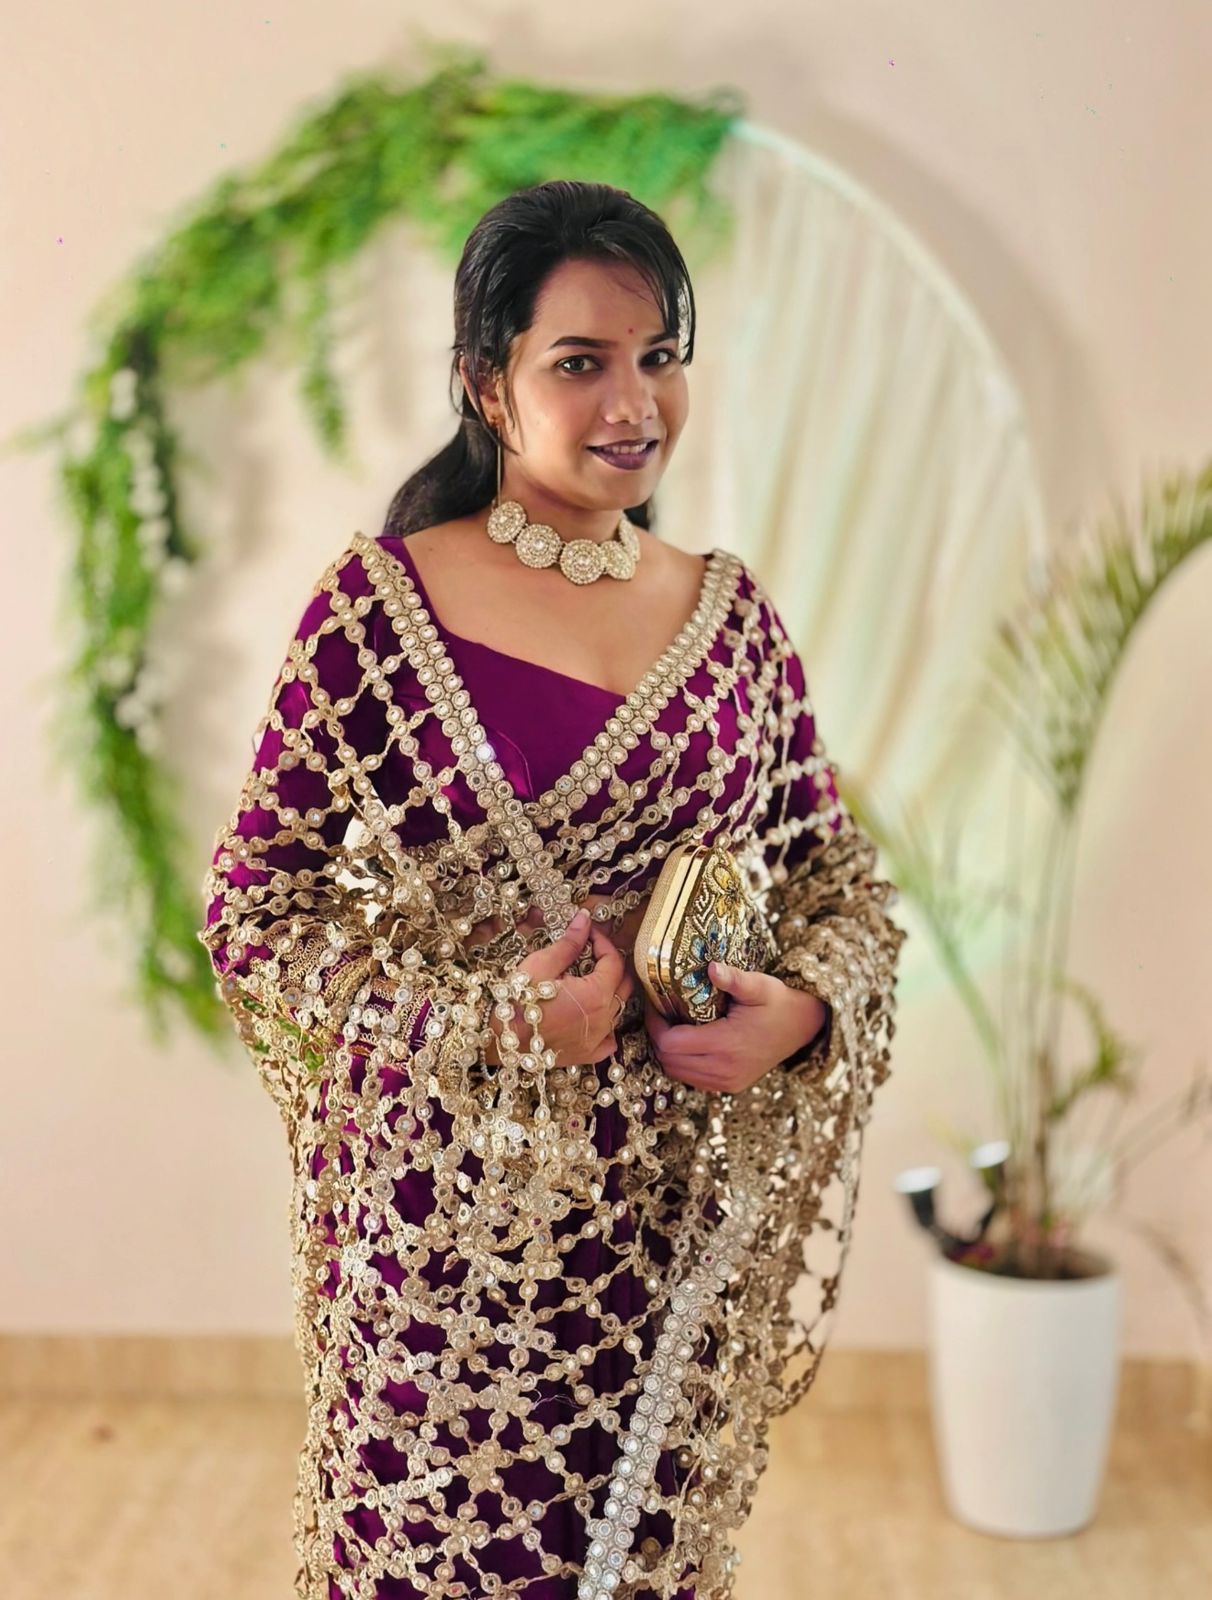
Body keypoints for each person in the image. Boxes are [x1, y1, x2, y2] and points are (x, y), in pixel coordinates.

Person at [199, 179, 907, 1600]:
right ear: (487, 382)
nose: (633, 403)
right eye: (579, 362)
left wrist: (802, 1012)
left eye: (659, 355)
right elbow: (255, 910)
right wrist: (490, 1025)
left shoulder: (732, 620)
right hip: (455, 1229)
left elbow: (838, 879)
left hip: (672, 1233)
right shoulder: (378, 611)